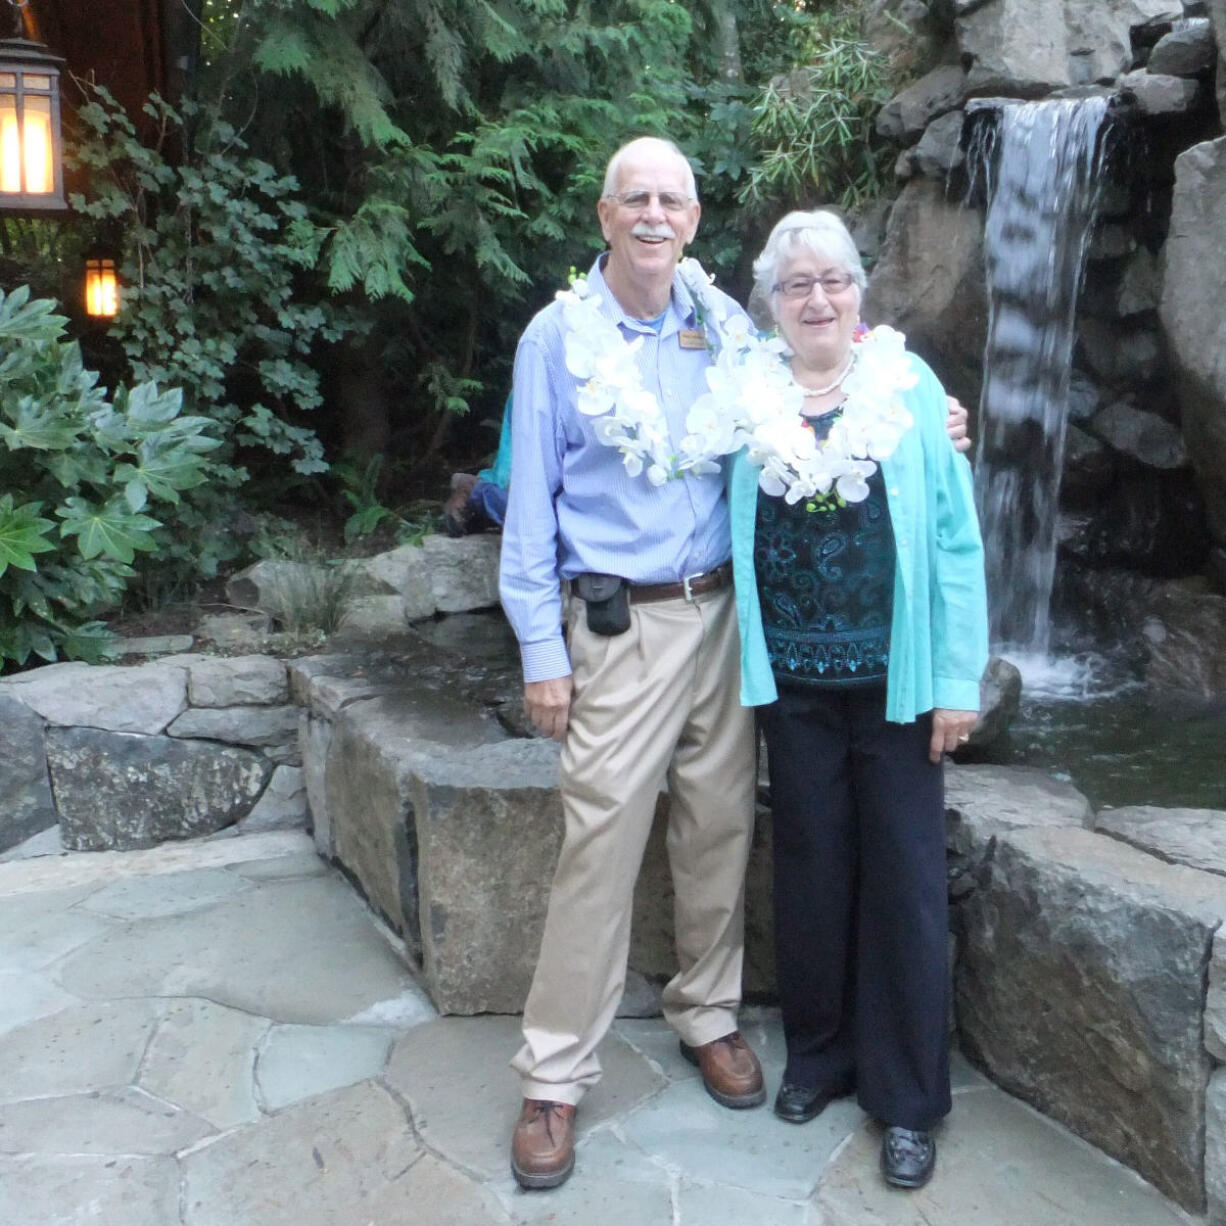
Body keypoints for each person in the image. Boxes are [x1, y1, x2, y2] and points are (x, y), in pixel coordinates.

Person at [499, 138, 973, 1193]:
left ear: (695, 216)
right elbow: (526, 507)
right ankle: (554, 1075)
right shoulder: (557, 338)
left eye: (672, 197)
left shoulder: (724, 329)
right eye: (636, 199)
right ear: (603, 214)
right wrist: (542, 650)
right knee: (597, 846)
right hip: (619, 629)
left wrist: (936, 421)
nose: (655, 214)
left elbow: (831, 390)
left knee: (718, 828)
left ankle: (706, 1013)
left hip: (728, 622)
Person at [725, 210, 989, 1189]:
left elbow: (956, 540)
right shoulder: (745, 392)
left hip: (897, 689)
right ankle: (822, 1056)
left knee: (906, 888)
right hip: (789, 686)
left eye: (832, 279)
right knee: (809, 871)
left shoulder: (910, 388)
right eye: (796, 284)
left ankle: (907, 1097)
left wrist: (955, 681)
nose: (817, 297)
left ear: (857, 290)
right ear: (772, 302)